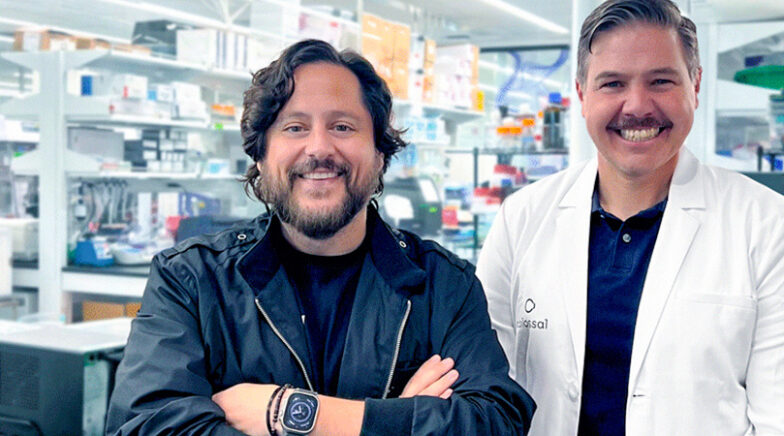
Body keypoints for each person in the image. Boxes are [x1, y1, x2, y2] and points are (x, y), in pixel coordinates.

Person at [106, 39, 534, 436]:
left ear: (379, 153)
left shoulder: (444, 286)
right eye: (294, 127)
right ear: (260, 154)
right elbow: (146, 425)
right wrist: (397, 419)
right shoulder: (191, 280)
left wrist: (295, 413)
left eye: (343, 127)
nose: (319, 148)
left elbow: (495, 421)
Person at [476, 0, 784, 434]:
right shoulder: (522, 218)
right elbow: (483, 388)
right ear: (583, 95)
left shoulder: (768, 225)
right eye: (612, 83)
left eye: (661, 81)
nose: (637, 106)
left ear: (695, 86)